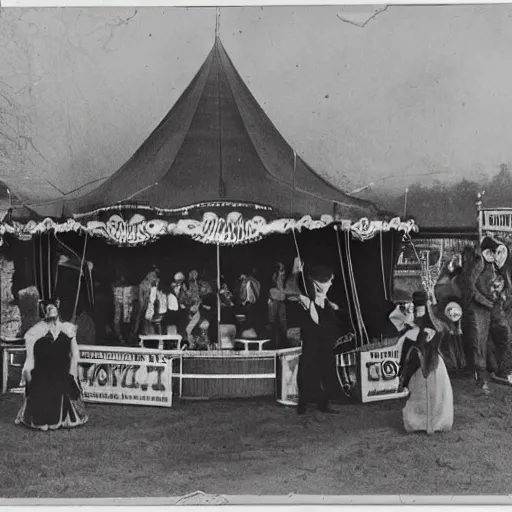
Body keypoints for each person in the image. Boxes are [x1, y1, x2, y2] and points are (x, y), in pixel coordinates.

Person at [15, 300, 88, 431]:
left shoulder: (67, 329)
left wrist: (73, 372)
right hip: (42, 373)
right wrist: (27, 371)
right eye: (48, 309)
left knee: (62, 384)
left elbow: (75, 353)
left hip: (61, 370)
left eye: (53, 308)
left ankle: (63, 416)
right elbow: (30, 357)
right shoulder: (34, 332)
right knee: (42, 388)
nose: (51, 312)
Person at [398, 291, 453, 434]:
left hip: (421, 362)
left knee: (421, 393)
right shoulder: (436, 322)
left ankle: (420, 422)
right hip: (434, 362)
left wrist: (401, 371)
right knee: (437, 395)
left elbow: (406, 348)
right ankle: (435, 422)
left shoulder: (413, 325)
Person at [295, 265, 343, 415]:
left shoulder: (326, 301)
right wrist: (299, 271)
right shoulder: (306, 300)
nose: (331, 284)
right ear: (320, 282)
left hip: (326, 344)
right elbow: (315, 321)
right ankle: (303, 404)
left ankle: (323, 403)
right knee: (308, 371)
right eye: (329, 281)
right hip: (311, 343)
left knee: (325, 372)